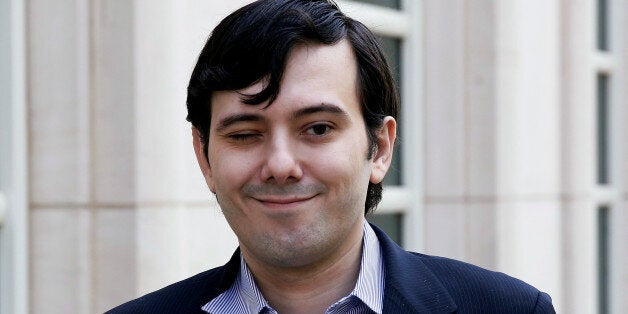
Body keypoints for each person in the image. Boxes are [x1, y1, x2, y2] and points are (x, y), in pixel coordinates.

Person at [108, 0, 555, 313]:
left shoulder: (511, 308)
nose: (280, 164)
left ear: (379, 148)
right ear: (204, 157)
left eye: (318, 129)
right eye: (245, 134)